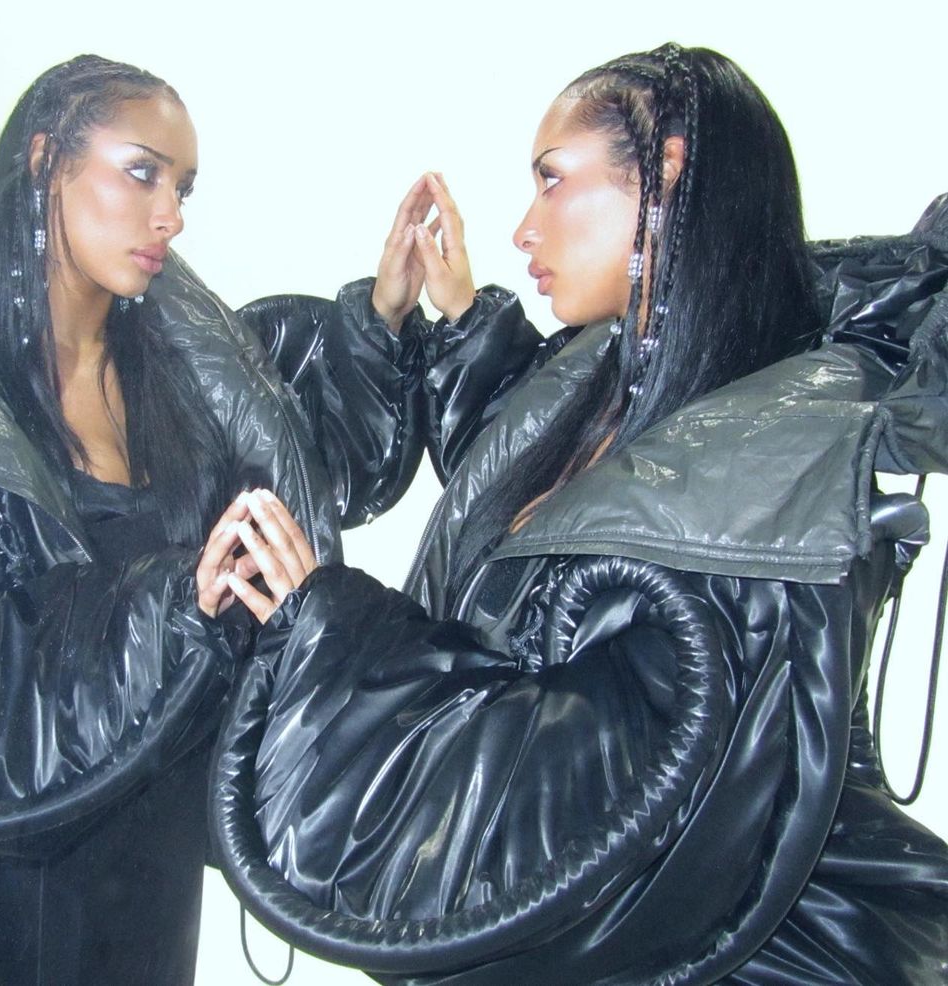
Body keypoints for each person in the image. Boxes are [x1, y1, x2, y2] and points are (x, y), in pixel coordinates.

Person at [210, 44, 948, 983]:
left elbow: (573, 812)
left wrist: (331, 628)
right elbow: (541, 485)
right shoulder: (618, 373)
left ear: (666, 175)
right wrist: (435, 319)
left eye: (552, 180)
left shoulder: (767, 477)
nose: (524, 227)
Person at [0, 55, 425, 985]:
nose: (170, 215)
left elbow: (292, 459)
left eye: (183, 188)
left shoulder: (177, 375)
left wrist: (378, 322)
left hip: (147, 860)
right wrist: (170, 607)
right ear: (46, 160)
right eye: (142, 173)